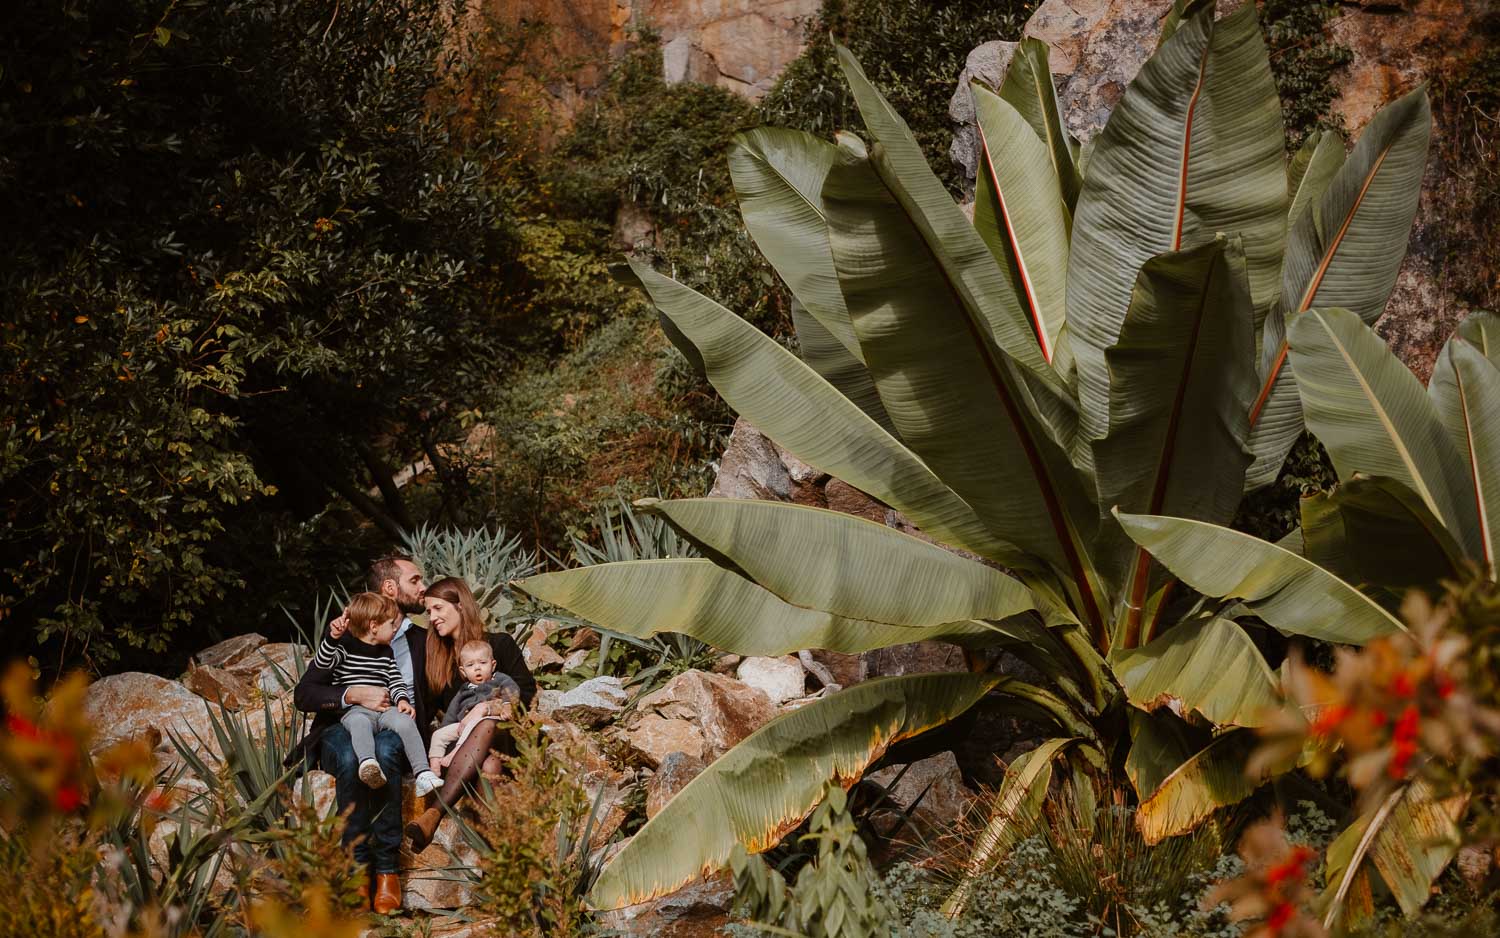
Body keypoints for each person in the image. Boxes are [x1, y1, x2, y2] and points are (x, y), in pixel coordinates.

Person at [289, 553, 430, 915]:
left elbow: (456, 678)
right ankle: (356, 868)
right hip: (346, 721)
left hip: (394, 723)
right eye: (415, 580)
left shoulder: (423, 640)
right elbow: (305, 694)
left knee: (383, 754)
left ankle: (386, 870)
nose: (423, 588)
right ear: (389, 588)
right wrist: (351, 695)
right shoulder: (346, 634)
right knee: (352, 758)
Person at [404, 576, 534, 851]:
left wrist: (490, 706)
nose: (433, 617)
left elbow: (525, 689)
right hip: (465, 745)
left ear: (460, 605)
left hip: (504, 733)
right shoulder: (438, 661)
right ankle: (499, 862)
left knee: (486, 725)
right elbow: (425, 712)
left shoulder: (498, 644)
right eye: (428, 612)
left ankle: (435, 813)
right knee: (487, 767)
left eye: (438, 608)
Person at [315, 592, 443, 796]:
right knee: (359, 723)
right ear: (374, 626)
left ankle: (423, 772)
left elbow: (395, 680)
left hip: (384, 710)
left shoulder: (386, 653)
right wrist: (332, 638)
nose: (395, 629)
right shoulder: (345, 648)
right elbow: (323, 664)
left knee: (405, 722)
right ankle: (367, 762)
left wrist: (401, 699)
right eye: (391, 624)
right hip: (356, 710)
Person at [426, 639, 522, 776]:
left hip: (484, 722)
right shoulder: (463, 690)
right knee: (438, 734)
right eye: (470, 665)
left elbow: (512, 689)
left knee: (473, 725)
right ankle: (435, 767)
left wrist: (507, 704)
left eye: (483, 663)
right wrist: (447, 729)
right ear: (463, 671)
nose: (477, 668)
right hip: (463, 724)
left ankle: (455, 754)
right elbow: (451, 713)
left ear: (493, 665)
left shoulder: (499, 679)